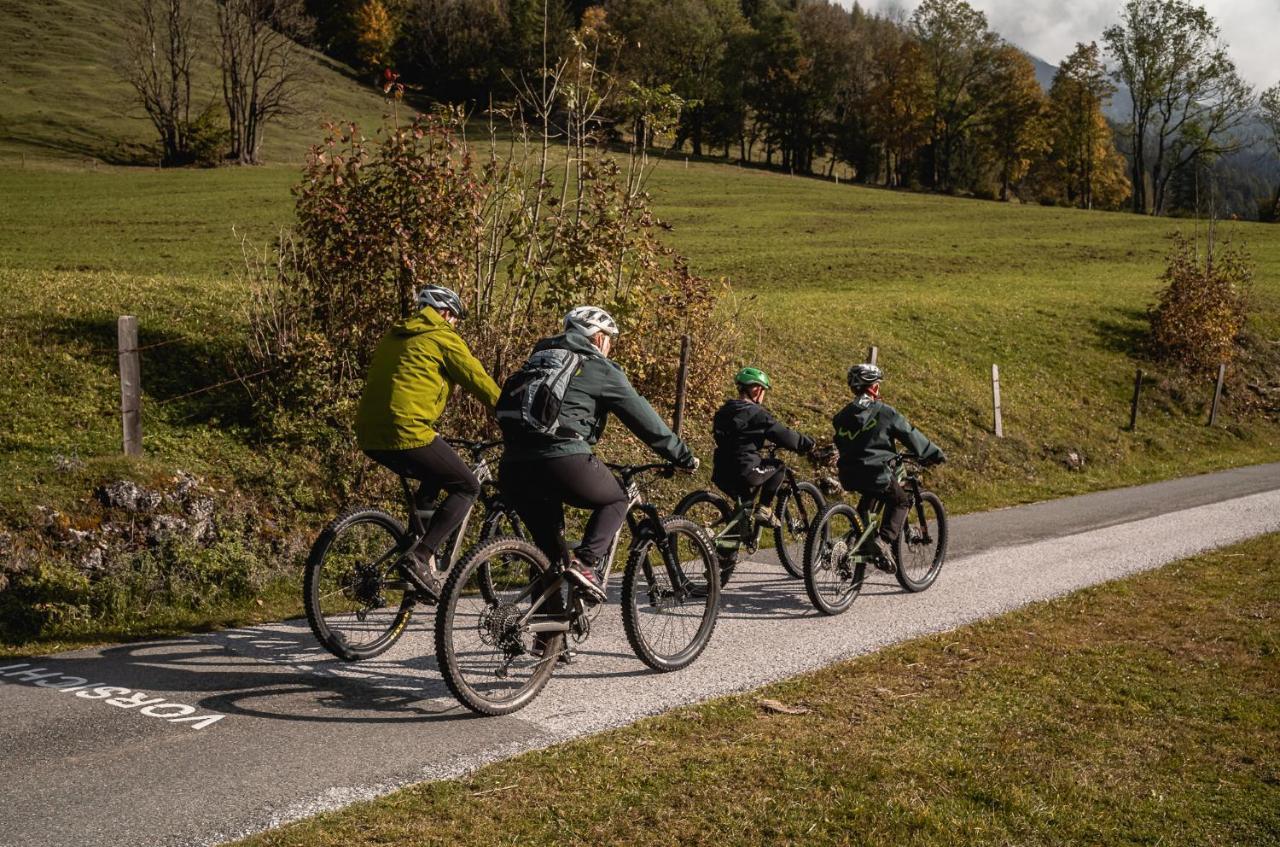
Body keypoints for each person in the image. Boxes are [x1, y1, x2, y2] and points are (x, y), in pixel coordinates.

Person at [498, 306, 698, 602]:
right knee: (618, 498)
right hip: (562, 458)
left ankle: (549, 640)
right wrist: (682, 455)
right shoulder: (597, 367)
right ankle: (587, 562)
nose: (610, 346)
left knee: (548, 555)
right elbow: (643, 419)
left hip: (513, 466)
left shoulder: (539, 359)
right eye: (609, 339)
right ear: (598, 337)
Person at [355, 285, 501, 597]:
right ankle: (421, 557)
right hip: (407, 429)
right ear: (446, 313)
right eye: (455, 319)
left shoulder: (395, 335)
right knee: (467, 486)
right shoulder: (442, 336)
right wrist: (511, 411)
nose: (455, 325)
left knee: (433, 473)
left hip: (369, 433)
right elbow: (479, 380)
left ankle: (417, 550)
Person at [832, 363, 945, 570]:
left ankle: (860, 541)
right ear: (874, 388)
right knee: (901, 501)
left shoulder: (842, 416)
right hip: (875, 472)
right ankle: (883, 541)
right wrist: (934, 454)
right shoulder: (885, 412)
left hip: (847, 473)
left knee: (867, 505)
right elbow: (910, 434)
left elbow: (843, 441)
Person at [711, 367, 815, 528]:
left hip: (721, 471)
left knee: (744, 507)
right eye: (764, 390)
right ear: (758, 390)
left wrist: (760, 441)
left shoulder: (724, 411)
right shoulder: (757, 413)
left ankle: (728, 545)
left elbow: (738, 436)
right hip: (744, 470)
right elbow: (783, 434)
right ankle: (765, 508)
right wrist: (806, 443)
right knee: (779, 466)